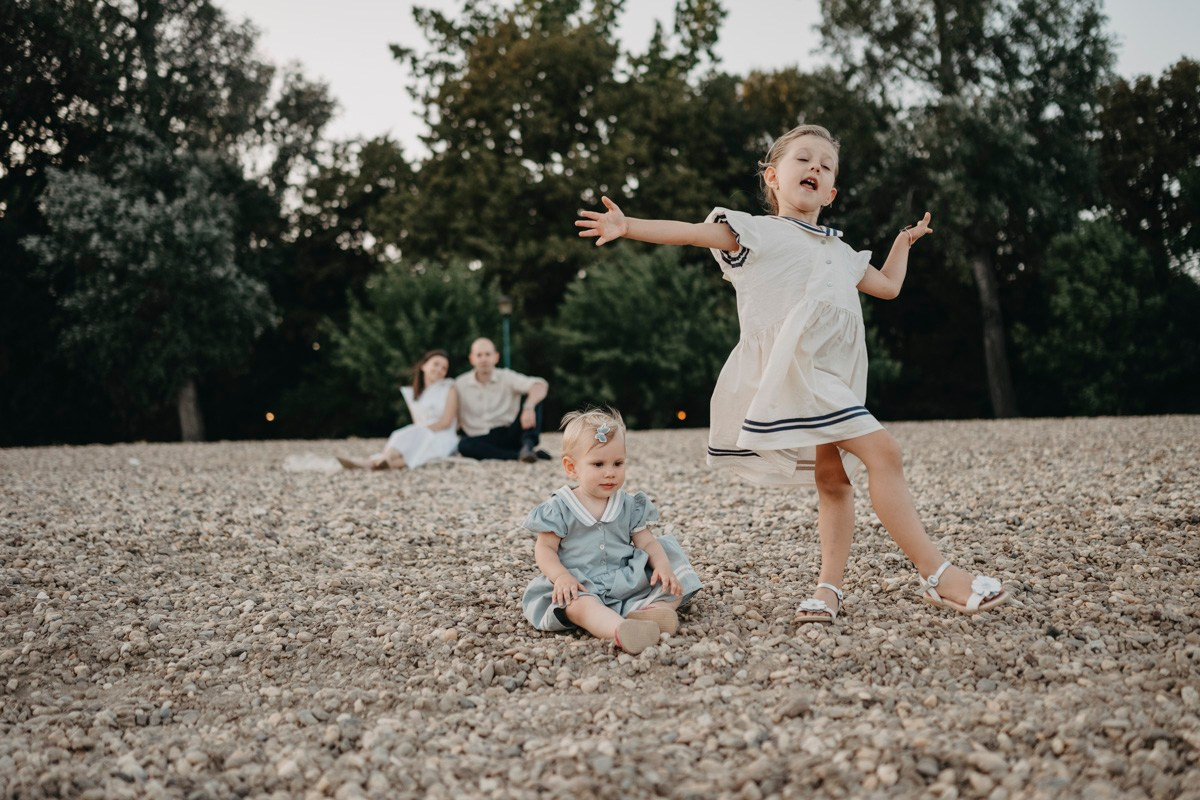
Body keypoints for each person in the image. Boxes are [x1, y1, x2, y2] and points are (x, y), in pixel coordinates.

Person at [575, 123, 1008, 620]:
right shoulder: (755, 231)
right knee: (883, 451)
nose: (815, 168)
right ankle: (940, 575)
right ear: (773, 177)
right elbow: (693, 234)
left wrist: (903, 243)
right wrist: (629, 226)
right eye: (803, 159)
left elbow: (888, 287)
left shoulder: (841, 252)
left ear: (832, 191)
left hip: (834, 375)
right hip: (794, 373)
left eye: (826, 166)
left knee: (832, 479)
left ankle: (828, 591)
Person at [521, 407, 702, 654]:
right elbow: (545, 549)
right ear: (571, 468)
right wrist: (561, 576)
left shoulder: (628, 504)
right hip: (579, 583)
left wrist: (662, 566)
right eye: (598, 464)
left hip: (625, 580)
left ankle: (652, 613)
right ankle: (621, 629)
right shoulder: (560, 507)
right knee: (578, 607)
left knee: (670, 572)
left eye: (618, 463)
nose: (610, 472)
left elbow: (647, 543)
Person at [338, 349, 459, 470]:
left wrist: (419, 431)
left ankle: (371, 463)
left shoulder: (449, 388)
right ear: (424, 365)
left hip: (443, 435)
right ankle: (378, 462)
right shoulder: (414, 394)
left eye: (444, 368)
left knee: (411, 441)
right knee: (411, 443)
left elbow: (446, 422)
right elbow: (417, 421)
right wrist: (417, 432)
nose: (439, 370)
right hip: (422, 433)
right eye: (436, 364)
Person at [455, 337, 551, 463]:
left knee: (535, 398)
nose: (483, 359)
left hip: (509, 433)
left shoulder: (506, 376)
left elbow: (540, 385)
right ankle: (520, 455)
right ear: (471, 359)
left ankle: (528, 445)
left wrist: (529, 406)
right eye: (479, 355)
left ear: (496, 357)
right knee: (464, 445)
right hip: (480, 438)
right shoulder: (460, 384)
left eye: (488, 354)